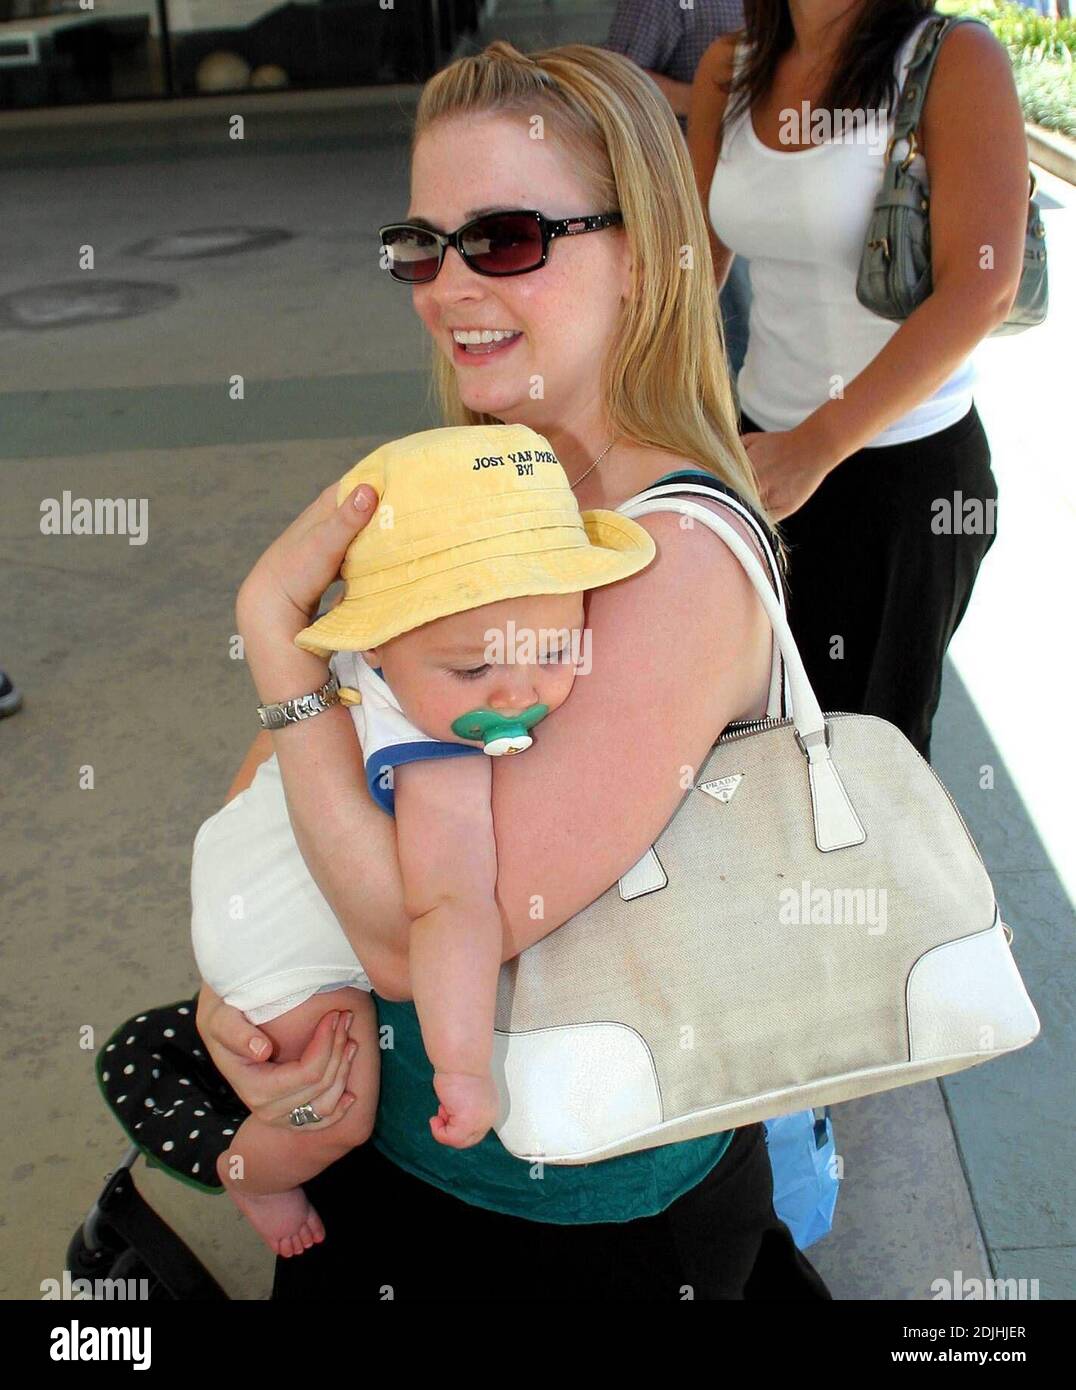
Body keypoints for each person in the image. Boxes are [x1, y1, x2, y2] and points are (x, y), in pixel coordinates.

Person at [196, 38, 831, 1300]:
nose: (443, 285)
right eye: (420, 244)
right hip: (404, 1152)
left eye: (504, 239)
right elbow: (310, 754)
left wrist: (278, 629)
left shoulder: (678, 557)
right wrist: (248, 969)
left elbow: (406, 934)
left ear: (643, 256)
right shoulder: (477, 478)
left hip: (571, 1219)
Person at [191, 422, 655, 1258]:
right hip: (273, 942)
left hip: (244, 854)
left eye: (554, 649)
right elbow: (447, 907)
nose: (519, 694)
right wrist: (463, 1066)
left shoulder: (395, 666)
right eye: (475, 673)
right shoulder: (434, 755)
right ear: (375, 645)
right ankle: (250, 1175)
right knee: (334, 1107)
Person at [689, 0, 1027, 760]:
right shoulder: (730, 69)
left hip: (902, 473)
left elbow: (983, 285)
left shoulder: (951, 58)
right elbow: (698, 261)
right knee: (754, 741)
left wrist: (818, 444)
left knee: (869, 761)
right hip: (759, 453)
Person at [606, 0, 752, 378]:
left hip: (768, 182)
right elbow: (617, 75)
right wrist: (704, 99)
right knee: (720, 328)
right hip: (688, 187)